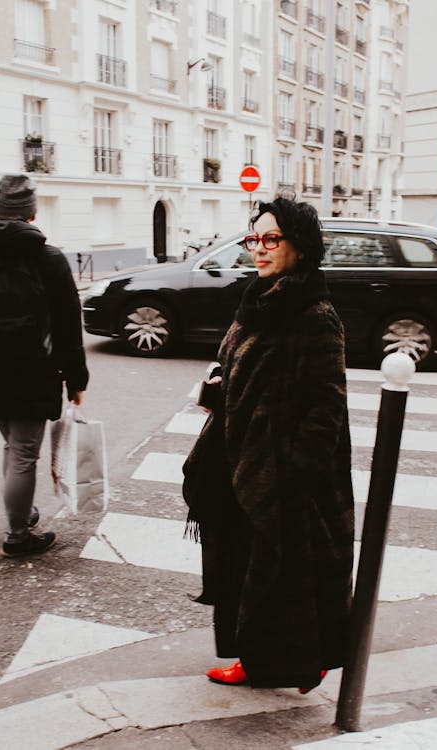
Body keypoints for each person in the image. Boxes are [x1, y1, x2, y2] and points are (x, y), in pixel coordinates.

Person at [182, 197, 354, 694]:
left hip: (284, 467)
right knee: (244, 566)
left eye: (271, 239)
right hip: (242, 455)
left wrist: (298, 470)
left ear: (300, 246)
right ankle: (267, 659)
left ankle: (294, 661)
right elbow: (237, 366)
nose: (259, 248)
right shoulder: (258, 299)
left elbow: (327, 407)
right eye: (254, 238)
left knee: (284, 573)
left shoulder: (315, 314)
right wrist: (219, 390)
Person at [0, 174, 89, 558]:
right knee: (24, 453)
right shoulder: (49, 258)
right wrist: (76, 379)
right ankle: (17, 536)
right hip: (36, 372)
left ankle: (22, 511)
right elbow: (68, 325)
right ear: (31, 211)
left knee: (14, 447)